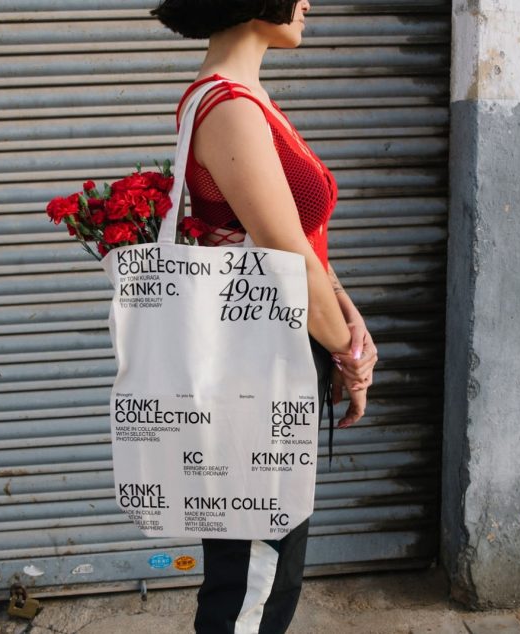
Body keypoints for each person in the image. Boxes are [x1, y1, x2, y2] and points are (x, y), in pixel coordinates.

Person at [151, 1, 379, 631]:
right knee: (254, 578)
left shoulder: (249, 97)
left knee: (270, 567)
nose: (307, 1)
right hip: (258, 366)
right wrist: (351, 357)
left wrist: (350, 325)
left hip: (282, 347)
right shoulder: (227, 109)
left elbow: (307, 244)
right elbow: (287, 263)